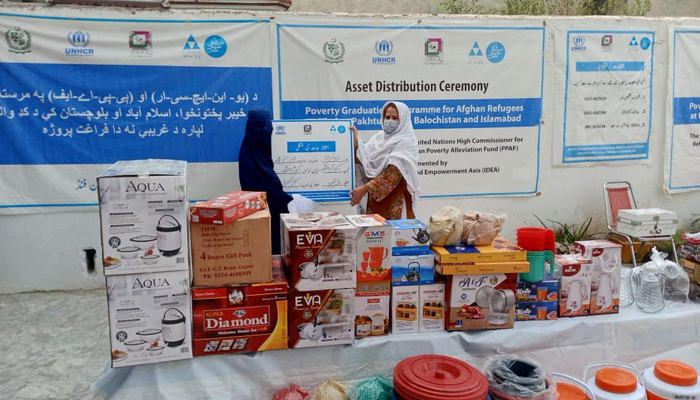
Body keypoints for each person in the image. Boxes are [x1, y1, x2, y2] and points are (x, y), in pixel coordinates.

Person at [238, 108, 314, 254]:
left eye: (268, 125)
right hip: (262, 210)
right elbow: (264, 187)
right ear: (252, 127)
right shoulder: (250, 155)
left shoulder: (258, 148)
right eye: (261, 126)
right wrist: (288, 199)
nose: (267, 130)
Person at [350, 101, 420, 220]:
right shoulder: (378, 138)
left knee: (395, 236)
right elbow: (364, 159)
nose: (390, 121)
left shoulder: (407, 142)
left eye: (395, 118)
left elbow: (391, 176)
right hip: (374, 203)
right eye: (387, 117)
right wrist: (355, 142)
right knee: (374, 235)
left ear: (403, 119)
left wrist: (364, 189)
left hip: (395, 203)